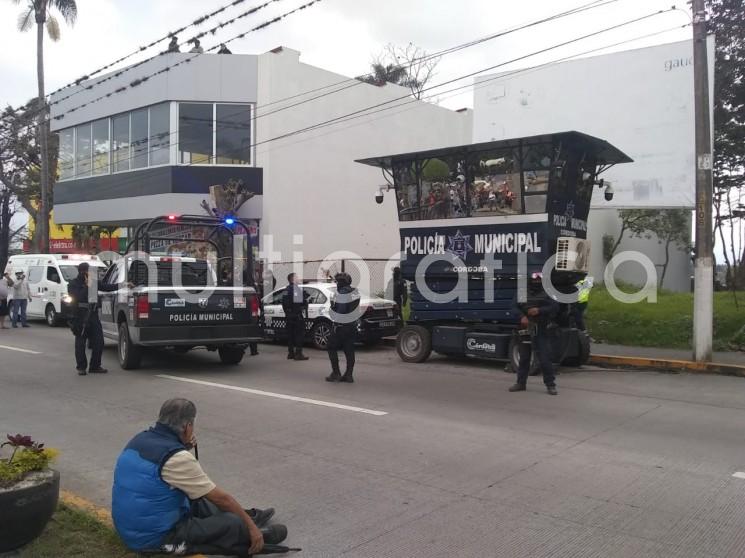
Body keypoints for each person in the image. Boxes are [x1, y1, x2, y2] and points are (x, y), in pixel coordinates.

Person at [112, 398, 287, 555]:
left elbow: (162, 470)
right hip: (155, 537)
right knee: (229, 521)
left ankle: (245, 518)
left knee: (199, 497)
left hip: (130, 528)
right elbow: (222, 499)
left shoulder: (140, 439)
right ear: (188, 426)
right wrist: (251, 528)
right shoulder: (177, 457)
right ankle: (250, 530)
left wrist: (183, 445)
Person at [509, 273, 560, 395]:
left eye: (538, 280)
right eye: (534, 280)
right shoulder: (522, 292)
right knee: (524, 357)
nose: (536, 282)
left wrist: (539, 310)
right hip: (525, 328)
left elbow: (555, 307)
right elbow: (513, 307)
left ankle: (550, 385)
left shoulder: (547, 292)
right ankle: (521, 383)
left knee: (544, 358)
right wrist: (522, 317)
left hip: (541, 328)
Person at [67, 262, 121, 375]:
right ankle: (81, 367)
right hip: (80, 316)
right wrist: (87, 286)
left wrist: (123, 285)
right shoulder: (73, 284)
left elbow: (107, 287)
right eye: (88, 271)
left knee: (99, 341)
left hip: (93, 314)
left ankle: (95, 366)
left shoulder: (93, 282)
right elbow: (78, 297)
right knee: (80, 343)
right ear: (82, 272)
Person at [326, 273, 360, 383]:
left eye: (337, 282)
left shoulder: (342, 294)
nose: (336, 284)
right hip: (352, 325)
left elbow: (340, 312)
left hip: (341, 326)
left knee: (331, 347)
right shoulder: (355, 292)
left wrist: (333, 307)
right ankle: (349, 375)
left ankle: (336, 373)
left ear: (341, 283)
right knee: (349, 350)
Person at [282, 273, 309, 361]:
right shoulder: (296, 289)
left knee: (290, 335)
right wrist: (305, 299)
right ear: (292, 279)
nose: (298, 279)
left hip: (289, 316)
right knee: (299, 335)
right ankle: (298, 354)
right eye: (297, 277)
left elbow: (284, 303)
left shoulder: (286, 289)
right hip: (296, 316)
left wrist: (288, 312)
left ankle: (290, 353)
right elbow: (299, 303)